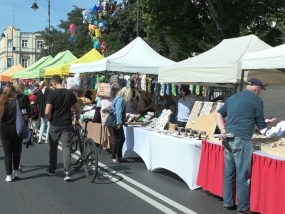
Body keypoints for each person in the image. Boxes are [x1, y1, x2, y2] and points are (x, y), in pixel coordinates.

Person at [216, 78, 277, 214]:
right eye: (261, 90)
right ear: (257, 88)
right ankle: (242, 207)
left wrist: (222, 130)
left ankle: (228, 202)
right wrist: (271, 122)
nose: (260, 93)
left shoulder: (233, 97)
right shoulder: (257, 100)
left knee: (228, 173)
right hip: (242, 139)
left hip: (228, 138)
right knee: (242, 175)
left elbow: (219, 114)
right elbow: (261, 125)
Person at [45, 75, 81, 181]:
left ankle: (52, 169)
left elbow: (47, 111)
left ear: (54, 82)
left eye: (52, 84)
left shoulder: (52, 94)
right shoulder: (70, 94)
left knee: (53, 147)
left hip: (55, 124)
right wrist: (76, 117)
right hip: (66, 124)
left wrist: (50, 119)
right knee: (66, 147)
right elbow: (78, 109)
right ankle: (67, 171)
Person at [0, 85, 25, 182]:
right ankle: (16, 172)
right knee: (17, 151)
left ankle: (8, 175)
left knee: (7, 153)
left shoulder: (2, 103)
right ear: (14, 93)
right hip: (16, 129)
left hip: (4, 129)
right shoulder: (18, 103)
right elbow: (25, 116)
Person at [110, 86, 132, 164]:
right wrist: (119, 123)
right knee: (118, 139)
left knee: (121, 139)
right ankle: (113, 157)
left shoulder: (118, 98)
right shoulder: (120, 100)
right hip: (117, 121)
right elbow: (118, 112)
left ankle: (119, 156)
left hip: (117, 121)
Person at [13, 80, 31, 173]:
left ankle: (14, 164)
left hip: (10, 123)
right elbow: (27, 113)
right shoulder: (25, 97)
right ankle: (18, 164)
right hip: (21, 124)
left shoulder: (10, 97)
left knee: (10, 146)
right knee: (18, 145)